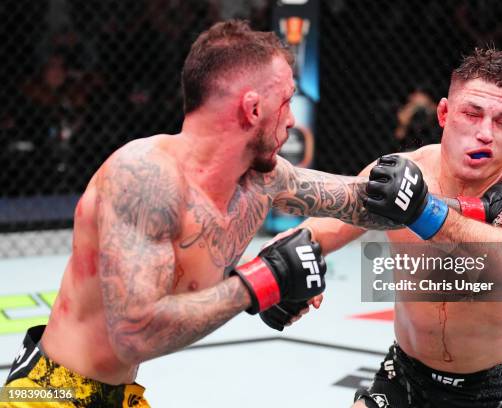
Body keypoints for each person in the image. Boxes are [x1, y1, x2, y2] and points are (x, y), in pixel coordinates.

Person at [2, 20, 404, 407]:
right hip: (47, 393)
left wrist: (432, 187)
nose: (293, 118)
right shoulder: (144, 179)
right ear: (252, 109)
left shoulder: (263, 179)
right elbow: (134, 333)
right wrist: (260, 282)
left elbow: (363, 201)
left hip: (120, 394)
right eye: (285, 101)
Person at [271, 48, 502, 407]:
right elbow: (322, 229)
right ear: (444, 113)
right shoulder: (404, 171)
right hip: (406, 376)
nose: (484, 133)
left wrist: (424, 211)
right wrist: (286, 270)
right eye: (471, 114)